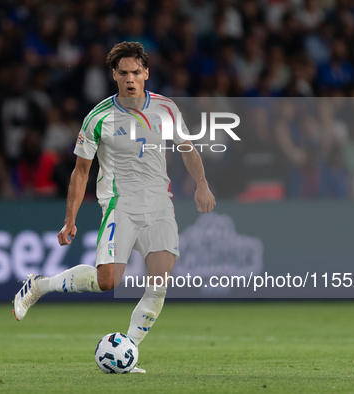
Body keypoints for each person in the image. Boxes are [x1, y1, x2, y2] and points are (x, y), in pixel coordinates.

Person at [12, 42, 216, 373]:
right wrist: (70, 219)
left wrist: (202, 184)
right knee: (108, 281)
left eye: (137, 72)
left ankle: (128, 351)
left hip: (160, 205)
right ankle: (40, 285)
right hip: (120, 204)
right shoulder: (98, 118)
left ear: (147, 73)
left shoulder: (166, 109)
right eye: (124, 73)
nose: (131, 78)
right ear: (114, 76)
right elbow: (81, 172)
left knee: (160, 283)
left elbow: (187, 148)